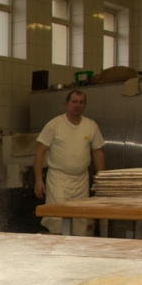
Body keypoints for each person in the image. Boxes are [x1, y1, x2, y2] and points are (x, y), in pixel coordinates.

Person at [33, 90, 106, 235]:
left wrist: (102, 180)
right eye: (74, 102)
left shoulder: (91, 126)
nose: (77, 105)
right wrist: (38, 179)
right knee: (57, 219)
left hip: (81, 180)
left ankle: (76, 253)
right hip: (58, 180)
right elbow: (40, 152)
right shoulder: (54, 124)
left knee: (80, 220)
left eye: (81, 102)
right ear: (66, 104)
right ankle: (58, 253)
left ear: (85, 105)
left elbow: (98, 152)